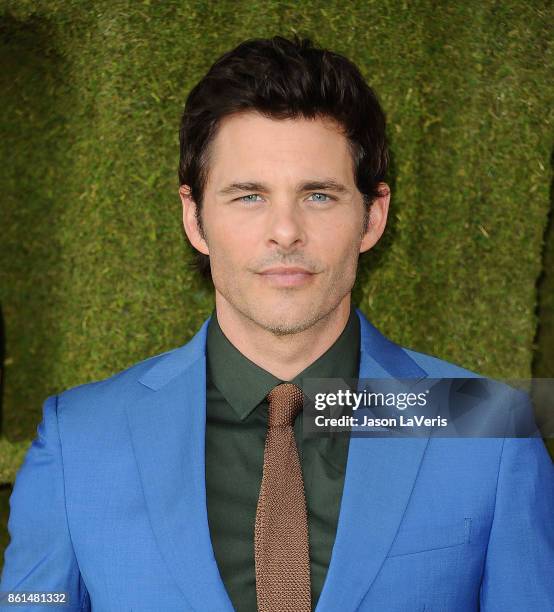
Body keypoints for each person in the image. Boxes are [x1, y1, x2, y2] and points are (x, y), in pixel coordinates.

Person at [1, 35, 553, 612]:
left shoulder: (487, 428)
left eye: (318, 196)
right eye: (248, 197)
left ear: (373, 217)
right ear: (195, 218)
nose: (285, 231)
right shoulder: (81, 441)